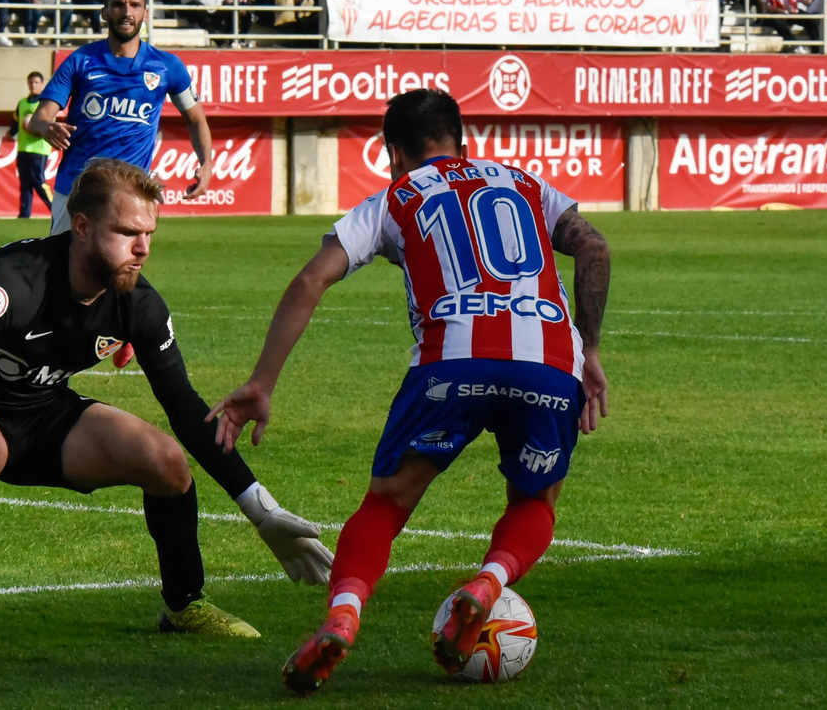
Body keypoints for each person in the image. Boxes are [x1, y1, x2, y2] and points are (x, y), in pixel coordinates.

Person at [0, 159, 334, 661]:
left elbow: (185, 408)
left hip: (40, 411)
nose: (142, 248)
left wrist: (260, 509)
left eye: (149, 233)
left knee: (165, 460)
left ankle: (184, 604)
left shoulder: (138, 303)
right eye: (126, 232)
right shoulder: (14, 278)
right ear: (82, 227)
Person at [209, 89, 613, 694]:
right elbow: (594, 247)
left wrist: (261, 383)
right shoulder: (525, 183)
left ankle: (344, 613)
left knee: (386, 505)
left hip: (451, 365)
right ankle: (488, 584)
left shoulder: (393, 198)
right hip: (548, 362)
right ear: (462, 142)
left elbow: (310, 281)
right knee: (534, 501)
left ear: (392, 152)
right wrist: (589, 349)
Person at [25, 0, 214, 368]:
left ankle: (122, 329)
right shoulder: (80, 62)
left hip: (130, 193)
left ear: (145, 12)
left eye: (133, 4)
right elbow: (37, 118)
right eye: (117, 4)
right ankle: (95, 334)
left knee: (125, 264)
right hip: (77, 189)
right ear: (104, 12)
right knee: (62, 270)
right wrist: (48, 127)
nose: (125, 11)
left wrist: (206, 162)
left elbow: (195, 118)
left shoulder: (166, 67)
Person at [12, 71, 55, 217]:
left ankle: (54, 208)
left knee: (39, 181)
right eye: (31, 82)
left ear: (41, 84)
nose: (33, 85)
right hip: (23, 148)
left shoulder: (45, 103)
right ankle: (24, 214)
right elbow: (16, 122)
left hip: (39, 148)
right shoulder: (22, 103)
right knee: (25, 183)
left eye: (36, 82)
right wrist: (10, 133)